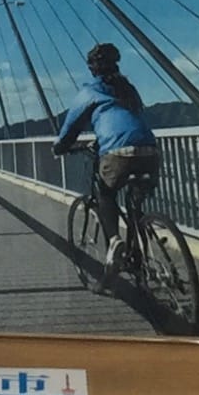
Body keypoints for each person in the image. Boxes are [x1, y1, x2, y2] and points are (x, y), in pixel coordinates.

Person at [52, 43, 160, 250]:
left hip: (117, 152)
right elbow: (129, 121)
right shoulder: (129, 89)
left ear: (92, 68)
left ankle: (114, 244)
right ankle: (141, 257)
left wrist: (60, 147)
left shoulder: (90, 91)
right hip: (150, 149)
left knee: (105, 195)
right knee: (135, 204)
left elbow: (71, 128)